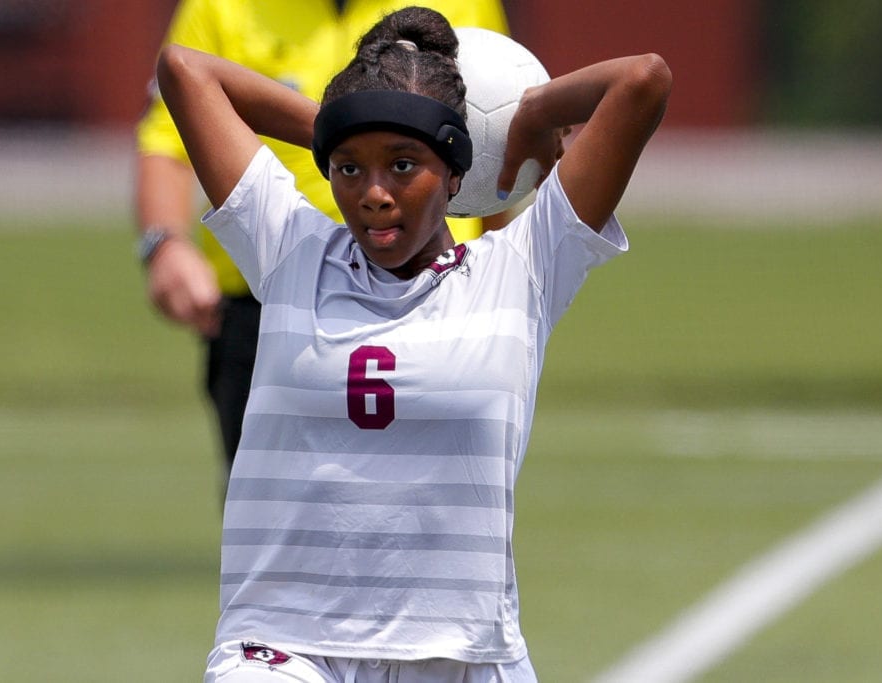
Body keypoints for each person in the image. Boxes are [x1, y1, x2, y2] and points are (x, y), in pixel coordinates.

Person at [156, 6, 670, 682]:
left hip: (461, 656)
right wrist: (346, 117)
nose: (372, 193)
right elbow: (186, 70)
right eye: (348, 168)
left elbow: (643, 80)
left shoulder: (521, 270)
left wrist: (531, 111)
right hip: (284, 648)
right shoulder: (289, 249)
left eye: (403, 164)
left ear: (457, 170)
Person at [134, 0, 510, 483]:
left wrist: (500, 279)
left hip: (439, 300)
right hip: (267, 304)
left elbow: (493, 149)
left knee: (442, 502)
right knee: (275, 511)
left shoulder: (467, 4)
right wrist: (166, 244)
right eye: (351, 166)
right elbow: (168, 132)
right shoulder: (222, 6)